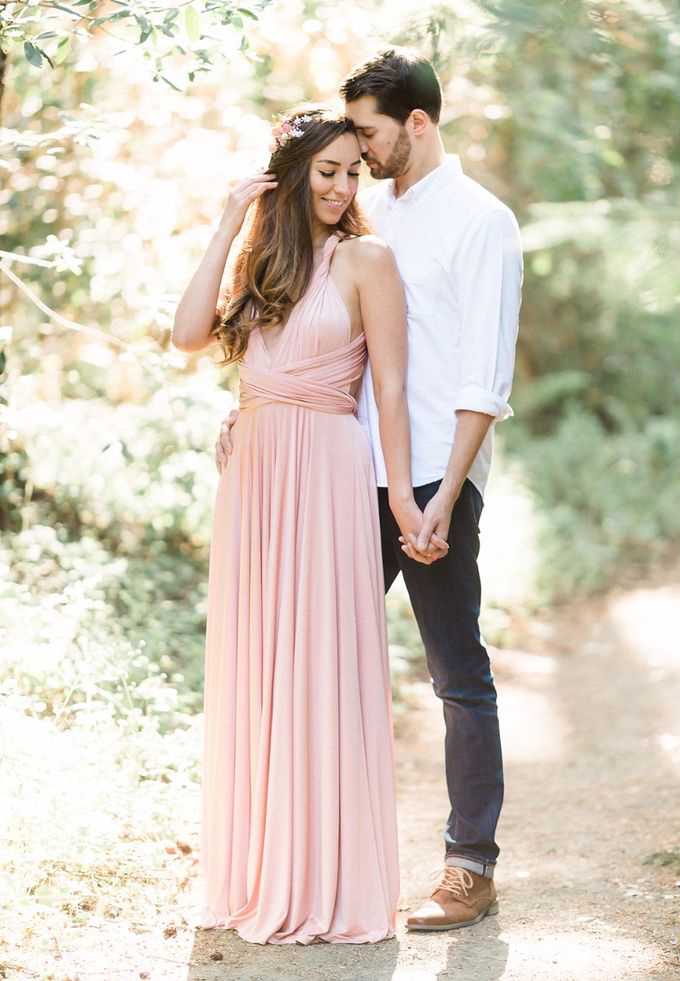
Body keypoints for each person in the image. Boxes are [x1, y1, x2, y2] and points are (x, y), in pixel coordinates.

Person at [218, 49, 523, 932]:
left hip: (431, 475)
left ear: (417, 125)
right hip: (342, 473)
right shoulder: (362, 204)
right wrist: (263, 408)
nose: (361, 153)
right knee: (311, 663)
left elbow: (483, 378)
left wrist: (445, 493)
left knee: (455, 670)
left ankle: (470, 863)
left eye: (374, 135)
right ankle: (300, 856)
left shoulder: (482, 220)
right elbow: (310, 327)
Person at [173, 106, 427, 944]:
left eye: (355, 171)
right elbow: (187, 336)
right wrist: (226, 221)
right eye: (328, 170)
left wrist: (398, 497)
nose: (344, 186)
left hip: (325, 470)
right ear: (293, 175)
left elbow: (388, 388)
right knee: (258, 667)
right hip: (253, 477)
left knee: (317, 662)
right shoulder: (265, 258)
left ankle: (325, 875)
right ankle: (257, 869)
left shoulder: (367, 258)